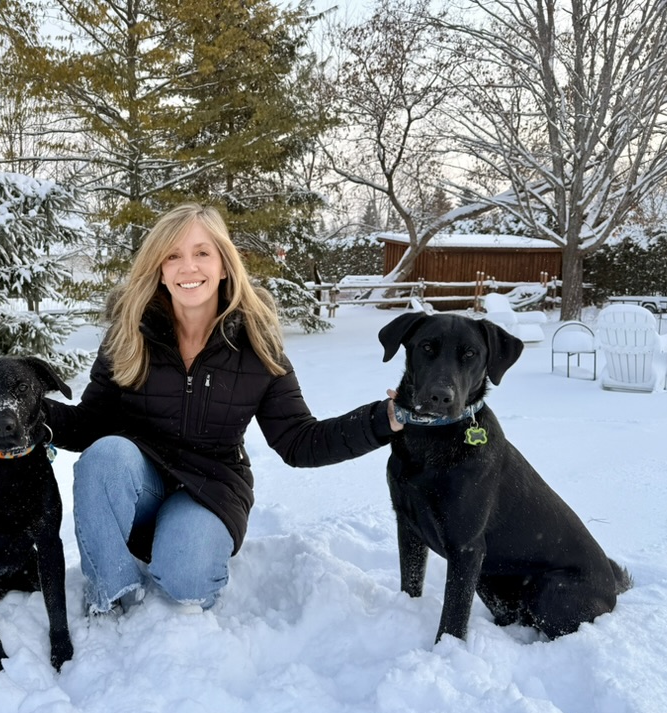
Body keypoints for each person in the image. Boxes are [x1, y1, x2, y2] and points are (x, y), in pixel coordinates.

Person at [44, 202, 402, 616]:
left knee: (188, 579)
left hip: (211, 486)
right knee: (104, 455)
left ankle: (178, 545)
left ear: (225, 265)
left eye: (201, 253)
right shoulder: (129, 334)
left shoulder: (257, 344)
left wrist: (382, 420)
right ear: (159, 269)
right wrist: (25, 415)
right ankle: (112, 591)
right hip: (139, 480)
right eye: (173, 256)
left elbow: (299, 440)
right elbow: (89, 425)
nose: (188, 267)